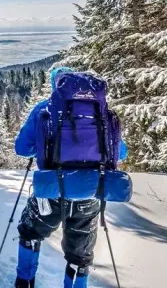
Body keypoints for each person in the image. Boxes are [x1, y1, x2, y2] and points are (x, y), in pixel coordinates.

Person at [13, 67, 128, 288]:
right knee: (80, 253)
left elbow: (22, 148)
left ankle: (24, 283)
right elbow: (120, 153)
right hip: (90, 193)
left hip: (51, 191)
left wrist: (43, 147)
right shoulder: (101, 114)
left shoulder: (44, 110)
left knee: (30, 233)